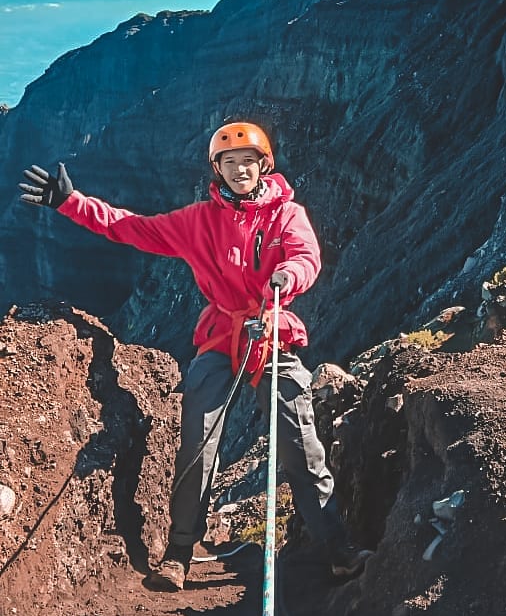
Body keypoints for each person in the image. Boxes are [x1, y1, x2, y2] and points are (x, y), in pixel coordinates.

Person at [19, 121, 371, 590]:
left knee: (299, 443)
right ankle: (179, 552)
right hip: (222, 336)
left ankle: (338, 550)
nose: (240, 170)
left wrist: (287, 276)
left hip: (270, 333)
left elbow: (305, 256)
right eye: (230, 163)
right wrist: (70, 203)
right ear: (218, 171)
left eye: (248, 161)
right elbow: (132, 228)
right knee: (197, 444)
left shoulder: (287, 214)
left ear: (264, 166)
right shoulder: (197, 221)